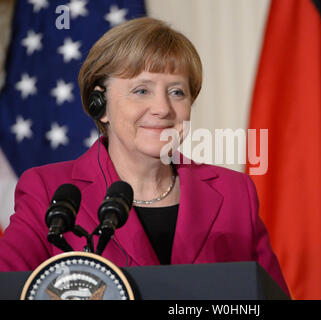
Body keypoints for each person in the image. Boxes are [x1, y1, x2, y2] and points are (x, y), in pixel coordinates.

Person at [0, 17, 288, 294]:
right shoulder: (48, 190)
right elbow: (8, 288)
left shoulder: (234, 193)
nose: (163, 108)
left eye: (177, 92)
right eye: (141, 90)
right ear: (99, 104)